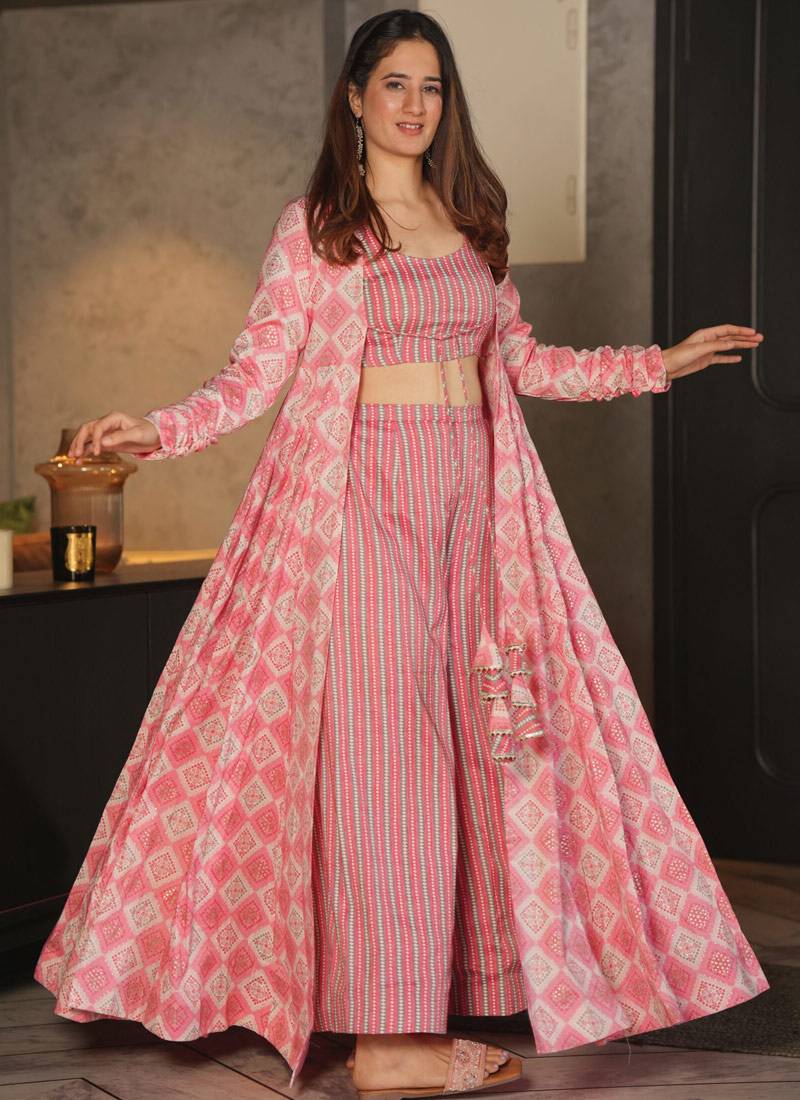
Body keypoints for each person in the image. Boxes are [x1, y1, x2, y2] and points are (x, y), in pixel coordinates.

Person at [37, 9, 767, 1099]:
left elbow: (522, 363)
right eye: (394, 84)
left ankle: (425, 1003)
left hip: (475, 520)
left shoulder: (468, 220)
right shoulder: (318, 229)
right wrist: (160, 427)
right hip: (360, 509)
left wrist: (655, 364)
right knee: (391, 764)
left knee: (480, 753)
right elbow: (255, 372)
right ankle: (388, 1041)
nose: (415, 104)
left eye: (432, 86)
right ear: (354, 97)